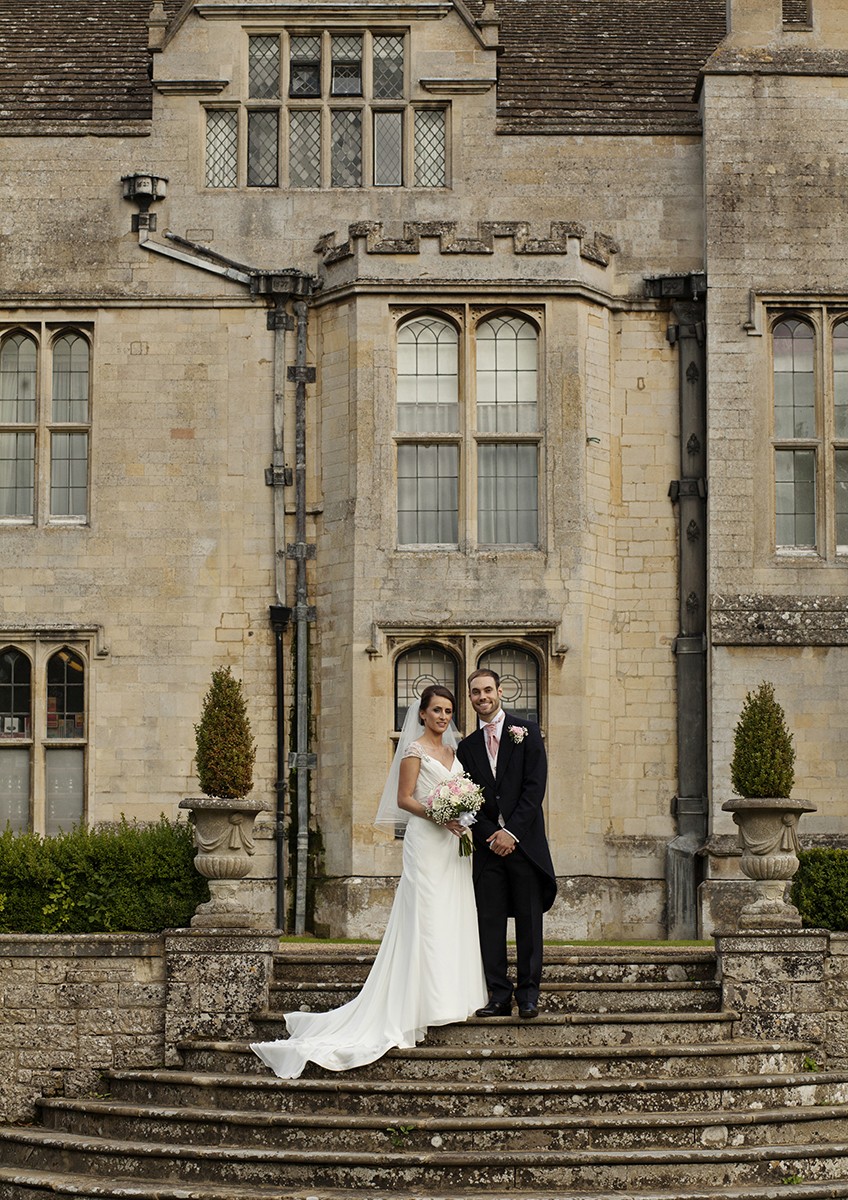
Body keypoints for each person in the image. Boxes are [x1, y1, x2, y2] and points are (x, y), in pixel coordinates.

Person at [251, 685, 487, 1079]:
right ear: (423, 714)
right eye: (436, 711)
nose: (443, 717)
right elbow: (405, 799)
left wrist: (461, 816)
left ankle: (452, 998)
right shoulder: (414, 750)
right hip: (427, 841)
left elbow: (464, 793)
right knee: (425, 920)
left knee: (453, 916)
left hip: (453, 845)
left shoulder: (454, 752)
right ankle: (421, 1004)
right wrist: (441, 813)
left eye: (448, 711)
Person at [456, 668, 557, 1019]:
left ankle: (528, 996)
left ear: (500, 692)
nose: (481, 697)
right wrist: (490, 834)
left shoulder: (526, 732)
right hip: (488, 851)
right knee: (491, 923)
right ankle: (499, 995)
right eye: (475, 693)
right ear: (470, 698)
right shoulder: (466, 747)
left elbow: (535, 787)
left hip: (524, 846)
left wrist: (511, 832)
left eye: (487, 690)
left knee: (530, 922)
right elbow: (466, 800)